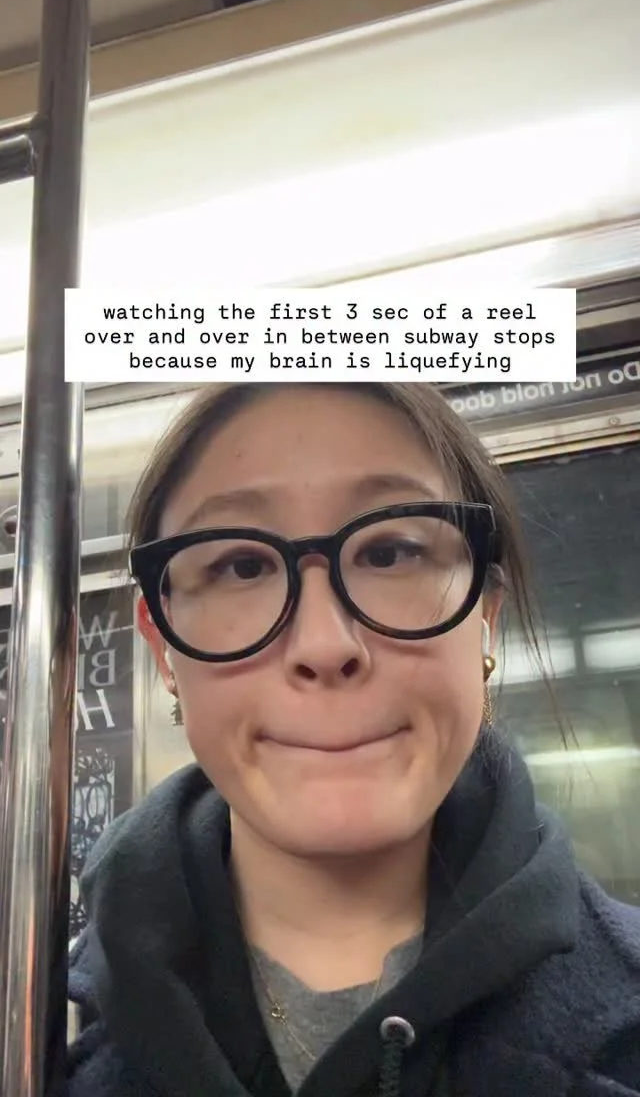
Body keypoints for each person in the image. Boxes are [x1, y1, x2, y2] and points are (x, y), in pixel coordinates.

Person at [63, 382, 640, 1097]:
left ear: (484, 620)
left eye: (390, 553)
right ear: (162, 649)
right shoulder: (35, 1036)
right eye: (242, 566)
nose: (324, 643)